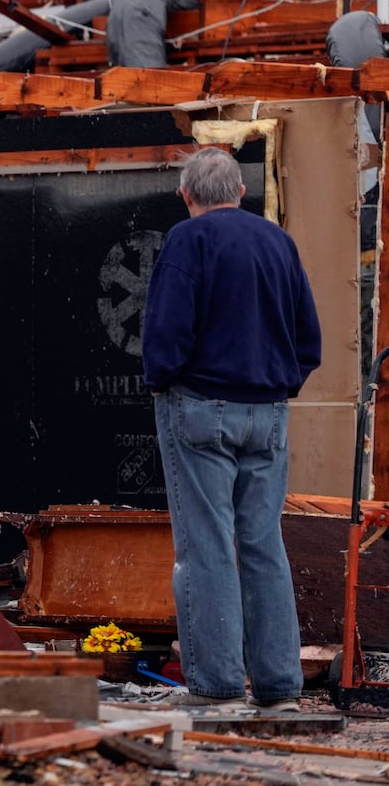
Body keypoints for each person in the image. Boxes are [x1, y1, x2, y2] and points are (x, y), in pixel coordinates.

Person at [142, 147, 321, 712]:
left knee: (207, 548)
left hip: (199, 407)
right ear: (241, 192)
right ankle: (279, 688)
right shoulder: (278, 242)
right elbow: (307, 337)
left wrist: (162, 380)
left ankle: (216, 686)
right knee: (264, 544)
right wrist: (283, 383)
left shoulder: (186, 240)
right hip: (267, 412)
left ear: (186, 195)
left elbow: (166, 333)